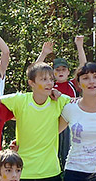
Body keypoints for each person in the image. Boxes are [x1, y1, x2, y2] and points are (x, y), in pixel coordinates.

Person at [35, 36, 86, 168]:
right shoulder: (49, 87)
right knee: (53, 153)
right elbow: (34, 72)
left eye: (64, 69)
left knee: (68, 152)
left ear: (69, 72)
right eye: (57, 70)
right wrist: (44, 53)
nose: (61, 72)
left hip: (70, 124)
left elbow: (84, 67)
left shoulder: (73, 85)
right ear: (52, 72)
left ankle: (67, 171)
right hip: (53, 123)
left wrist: (79, 46)